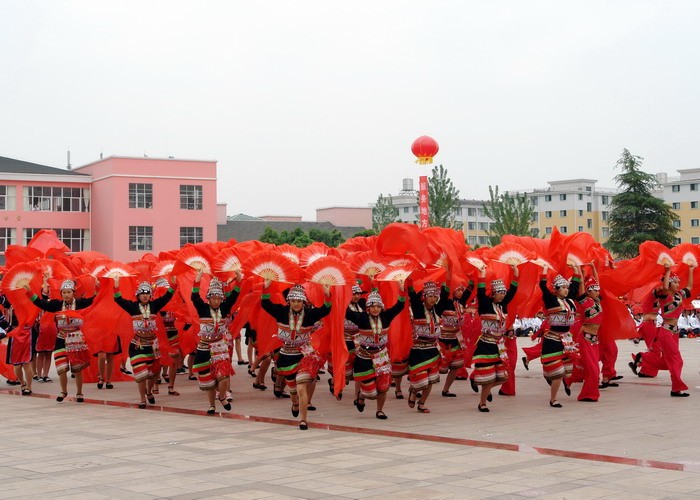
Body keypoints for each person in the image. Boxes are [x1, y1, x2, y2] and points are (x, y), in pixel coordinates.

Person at [260, 280, 331, 430]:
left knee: (301, 388)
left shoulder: (310, 314)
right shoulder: (281, 312)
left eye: (299, 301)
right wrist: (266, 288)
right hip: (286, 356)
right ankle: (295, 403)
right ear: (289, 301)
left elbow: (326, 309)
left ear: (304, 302)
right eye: (293, 301)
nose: (296, 303)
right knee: (293, 390)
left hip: (304, 356)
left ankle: (303, 419)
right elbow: (265, 304)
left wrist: (327, 294)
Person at [26, 276, 95, 402]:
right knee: (61, 368)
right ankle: (63, 391)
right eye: (64, 292)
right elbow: (41, 303)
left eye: (69, 292)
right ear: (61, 294)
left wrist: (98, 285)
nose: (67, 295)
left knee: (77, 368)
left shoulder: (80, 303)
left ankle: (79, 393)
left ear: (73, 293)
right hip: (60, 339)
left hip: (76, 339)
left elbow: (94, 300)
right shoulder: (57, 304)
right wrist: (29, 291)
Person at [113, 275, 177, 408]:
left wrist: (173, 284)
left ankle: (149, 391)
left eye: (147, 294)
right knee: (141, 373)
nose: (145, 296)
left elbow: (167, 297)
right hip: (138, 345)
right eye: (142, 294)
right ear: (138, 295)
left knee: (153, 372)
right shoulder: (132, 306)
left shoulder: (154, 305)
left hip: (152, 345)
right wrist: (116, 284)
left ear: (150, 295)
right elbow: (118, 299)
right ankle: (142, 399)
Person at [345, 286, 406, 419]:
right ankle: (362, 395)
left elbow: (400, 305)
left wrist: (401, 289)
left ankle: (380, 410)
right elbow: (346, 312)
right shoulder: (361, 317)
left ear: (381, 307)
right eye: (372, 306)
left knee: (383, 387)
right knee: (371, 393)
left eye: (378, 306)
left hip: (381, 355)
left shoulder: (386, 316)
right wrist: (340, 294)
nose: (375, 309)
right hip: (364, 358)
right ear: (368, 308)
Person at [634, 265, 694, 397]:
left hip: (675, 333)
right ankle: (676, 388)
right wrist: (667, 272)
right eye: (675, 282)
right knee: (677, 360)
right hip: (666, 332)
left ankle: (643, 359)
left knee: (668, 362)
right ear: (668, 282)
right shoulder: (663, 295)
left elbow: (689, 287)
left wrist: (691, 270)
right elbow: (665, 288)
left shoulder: (679, 295)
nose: (678, 284)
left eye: (678, 281)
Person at [190, 271, 241, 414]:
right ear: (209, 298)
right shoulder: (203, 308)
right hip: (204, 348)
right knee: (208, 380)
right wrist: (197, 279)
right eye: (214, 298)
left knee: (224, 375)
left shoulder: (224, 308)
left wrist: (239, 279)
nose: (217, 301)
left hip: (220, 347)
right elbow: (194, 296)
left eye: (219, 298)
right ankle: (211, 404)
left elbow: (235, 294)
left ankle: (223, 396)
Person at [472, 265, 519, 412]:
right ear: (493, 293)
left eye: (503, 292)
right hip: (486, 344)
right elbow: (480, 292)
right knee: (489, 376)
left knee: (504, 376)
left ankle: (483, 387)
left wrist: (516, 275)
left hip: (500, 345)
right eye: (500, 293)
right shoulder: (485, 304)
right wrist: (482, 274)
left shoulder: (503, 305)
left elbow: (513, 292)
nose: (503, 295)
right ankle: (482, 403)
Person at [405, 281, 450, 413]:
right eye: (430, 296)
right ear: (424, 296)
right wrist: (409, 280)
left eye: (435, 296)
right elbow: (412, 295)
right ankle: (414, 390)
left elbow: (446, 293)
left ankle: (422, 403)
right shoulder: (418, 308)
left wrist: (448, 273)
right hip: (418, 350)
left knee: (431, 381)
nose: (433, 299)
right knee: (421, 381)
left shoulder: (438, 309)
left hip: (432, 349)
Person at [539, 267, 579, 408]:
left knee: (567, 373)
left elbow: (575, 285)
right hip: (553, 339)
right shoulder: (551, 300)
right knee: (557, 373)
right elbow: (543, 287)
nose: (566, 290)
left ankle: (551, 376)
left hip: (567, 339)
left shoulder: (570, 300)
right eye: (562, 288)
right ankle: (553, 399)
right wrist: (544, 271)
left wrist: (576, 270)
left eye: (566, 287)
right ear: (555, 290)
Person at [329, 284, 364, 400]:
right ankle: (337, 384)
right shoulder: (342, 306)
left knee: (359, 369)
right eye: (354, 294)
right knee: (346, 371)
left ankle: (357, 396)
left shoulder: (362, 305)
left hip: (359, 340)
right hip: (346, 340)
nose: (356, 296)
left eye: (358, 294)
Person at [438, 282, 472, 398]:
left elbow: (469, 290)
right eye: (458, 290)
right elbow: (444, 293)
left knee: (455, 366)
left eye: (462, 290)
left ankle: (446, 389)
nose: (461, 292)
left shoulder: (461, 302)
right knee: (437, 368)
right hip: (442, 339)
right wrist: (447, 278)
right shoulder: (444, 302)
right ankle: (420, 388)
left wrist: (473, 276)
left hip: (456, 339)